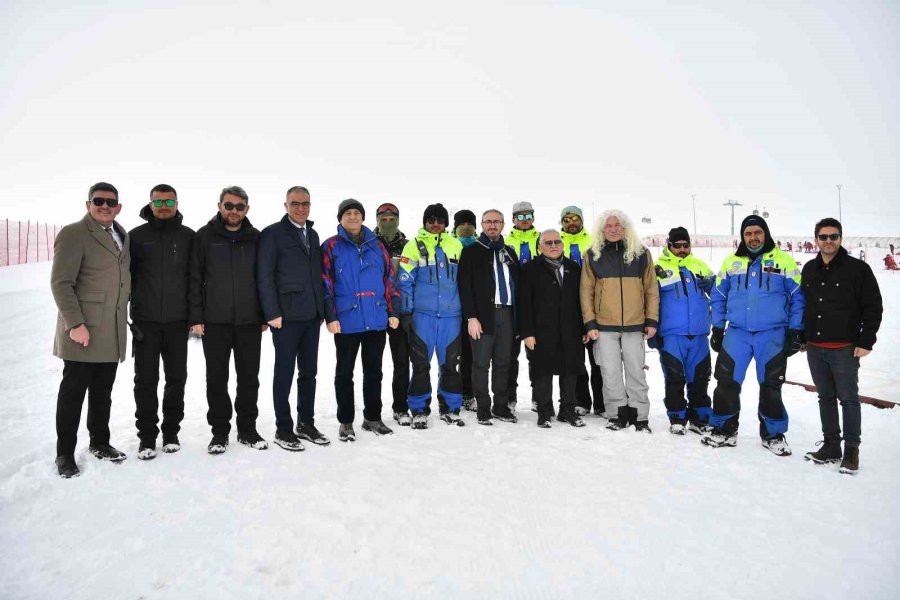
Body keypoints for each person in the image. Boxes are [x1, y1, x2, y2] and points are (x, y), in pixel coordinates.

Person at [702, 215, 804, 455]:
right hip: (737, 333)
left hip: (772, 334)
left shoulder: (784, 261)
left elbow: (798, 296)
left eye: (757, 232)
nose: (753, 237)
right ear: (742, 236)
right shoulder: (731, 262)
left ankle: (773, 434)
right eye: (748, 233)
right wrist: (717, 327)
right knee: (726, 382)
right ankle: (725, 429)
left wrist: (795, 329)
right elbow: (718, 295)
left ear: (766, 233)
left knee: (770, 385)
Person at [51, 182, 131, 478]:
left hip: (111, 330)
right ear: (88, 204)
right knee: (73, 394)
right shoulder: (73, 234)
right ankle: (64, 454)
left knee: (102, 392)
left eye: (111, 201)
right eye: (98, 200)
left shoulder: (123, 235)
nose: (105, 205)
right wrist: (75, 324)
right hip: (83, 330)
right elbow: (61, 283)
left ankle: (100, 442)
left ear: (118, 207)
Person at [189, 186, 268, 454]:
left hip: (249, 322)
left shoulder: (256, 238)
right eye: (229, 205)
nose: (234, 211)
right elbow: (194, 279)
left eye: (239, 206)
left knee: (249, 378)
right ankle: (220, 432)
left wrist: (264, 314)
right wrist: (196, 317)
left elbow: (264, 279)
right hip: (215, 321)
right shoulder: (204, 236)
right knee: (217, 378)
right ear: (219, 205)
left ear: (247, 208)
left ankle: (247, 429)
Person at [802, 218, 882, 474]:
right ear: (816, 239)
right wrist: (803, 337)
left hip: (844, 348)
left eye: (833, 236)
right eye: (823, 237)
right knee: (825, 397)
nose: (828, 241)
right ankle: (831, 446)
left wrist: (866, 340)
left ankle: (851, 451)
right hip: (815, 346)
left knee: (848, 399)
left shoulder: (858, 270)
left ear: (840, 238)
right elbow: (805, 306)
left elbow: (873, 307)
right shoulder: (809, 269)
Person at [321, 199, 400, 442]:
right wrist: (331, 316)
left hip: (376, 318)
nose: (353, 217)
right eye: (348, 213)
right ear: (340, 218)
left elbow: (389, 281)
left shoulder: (377, 246)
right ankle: (346, 422)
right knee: (344, 373)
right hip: (346, 320)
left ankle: (372, 418)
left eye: (357, 213)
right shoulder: (331, 246)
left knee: (374, 372)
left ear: (363, 218)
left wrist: (393, 311)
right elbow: (325, 283)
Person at [257, 186, 329, 451]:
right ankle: (283, 428)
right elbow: (264, 276)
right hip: (285, 318)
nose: (301, 208)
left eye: (305, 204)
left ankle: (305, 423)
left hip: (311, 317)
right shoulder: (273, 234)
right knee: (284, 373)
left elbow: (316, 275)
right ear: (285, 205)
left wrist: (322, 311)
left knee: (309, 372)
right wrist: (271, 312)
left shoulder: (313, 233)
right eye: (295, 203)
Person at [128, 183, 194, 460]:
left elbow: (196, 279)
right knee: (145, 380)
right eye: (159, 202)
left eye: (169, 202)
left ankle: (171, 433)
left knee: (176, 378)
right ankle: (146, 437)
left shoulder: (189, 237)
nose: (164, 207)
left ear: (177, 204)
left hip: (178, 323)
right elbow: (124, 279)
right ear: (150, 204)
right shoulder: (135, 237)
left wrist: (194, 317)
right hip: (146, 322)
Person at [580, 209, 658, 432]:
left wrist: (651, 320)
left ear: (625, 228)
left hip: (635, 325)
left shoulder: (641, 253)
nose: (613, 229)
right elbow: (586, 292)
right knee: (610, 372)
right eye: (608, 226)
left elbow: (651, 289)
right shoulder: (593, 254)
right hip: (604, 327)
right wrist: (590, 323)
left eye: (617, 225)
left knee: (636, 371)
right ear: (601, 230)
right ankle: (616, 414)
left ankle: (639, 415)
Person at [397, 203, 466, 429]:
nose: (435, 224)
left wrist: (468, 312)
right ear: (425, 222)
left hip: (451, 316)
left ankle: (450, 407)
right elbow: (405, 281)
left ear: (446, 224)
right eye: (431, 220)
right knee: (420, 365)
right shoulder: (413, 246)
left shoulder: (455, 245)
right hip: (422, 316)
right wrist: (406, 312)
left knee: (450, 365)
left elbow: (465, 282)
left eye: (440, 220)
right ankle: (418, 409)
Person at [518, 229, 587, 428]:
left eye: (557, 241)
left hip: (570, 330)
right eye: (548, 242)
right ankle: (544, 412)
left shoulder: (574, 268)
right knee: (542, 373)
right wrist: (527, 332)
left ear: (563, 244)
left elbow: (581, 301)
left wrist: (583, 328)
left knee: (570, 371)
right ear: (539, 247)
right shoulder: (530, 269)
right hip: (541, 331)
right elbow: (524, 303)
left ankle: (567, 410)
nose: (553, 245)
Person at [458, 209, 520, 425]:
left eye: (497, 222)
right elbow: (465, 287)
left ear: (503, 225)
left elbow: (516, 285)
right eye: (488, 222)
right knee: (481, 363)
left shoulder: (510, 253)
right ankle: (483, 407)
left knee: (504, 362)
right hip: (484, 315)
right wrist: (471, 317)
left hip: (508, 314)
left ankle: (501, 406)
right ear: (482, 225)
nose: (492, 225)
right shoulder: (472, 251)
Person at [651, 227, 714, 435]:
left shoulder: (700, 266)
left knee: (700, 378)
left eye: (686, 245)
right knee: (674, 376)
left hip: (698, 333)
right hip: (671, 334)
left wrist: (712, 286)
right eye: (677, 245)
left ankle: (700, 417)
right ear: (669, 245)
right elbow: (650, 300)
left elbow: (718, 295)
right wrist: (652, 329)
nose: (682, 249)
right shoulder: (657, 267)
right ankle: (677, 416)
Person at [559, 205, 604, 417]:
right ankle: (581, 401)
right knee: (575, 359)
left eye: (575, 218)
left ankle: (603, 402)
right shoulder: (557, 243)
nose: (571, 223)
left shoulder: (595, 242)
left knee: (598, 359)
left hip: (594, 307)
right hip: (569, 309)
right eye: (566, 219)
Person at [373, 202, 413, 426]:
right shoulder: (370, 244)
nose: (388, 222)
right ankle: (373, 411)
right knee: (374, 366)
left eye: (392, 218)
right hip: (376, 311)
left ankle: (400, 407)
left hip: (401, 312)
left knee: (401, 363)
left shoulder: (408, 246)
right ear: (377, 220)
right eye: (383, 219)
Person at [505, 201, 539, 413]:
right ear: (513, 219)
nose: (524, 220)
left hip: (537, 305)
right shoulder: (506, 242)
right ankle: (509, 397)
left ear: (533, 218)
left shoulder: (542, 239)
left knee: (536, 355)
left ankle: (538, 397)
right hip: (511, 305)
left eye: (528, 216)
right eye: (520, 217)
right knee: (509, 356)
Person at [451, 209, 478, 412]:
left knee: (470, 355)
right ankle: (452, 392)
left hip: (473, 309)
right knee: (452, 355)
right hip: (451, 309)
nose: (466, 227)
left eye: (470, 223)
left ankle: (468, 393)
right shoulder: (450, 245)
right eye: (462, 224)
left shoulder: (479, 247)